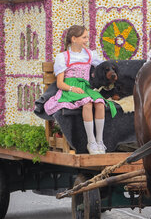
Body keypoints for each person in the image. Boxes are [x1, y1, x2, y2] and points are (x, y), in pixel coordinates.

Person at [44, 25, 108, 154]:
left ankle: (100, 141)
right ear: (74, 39)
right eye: (84, 37)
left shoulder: (89, 54)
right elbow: (60, 84)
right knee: (87, 102)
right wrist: (73, 88)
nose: (86, 40)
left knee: (100, 103)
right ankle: (91, 142)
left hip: (85, 87)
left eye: (86, 37)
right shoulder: (63, 57)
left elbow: (103, 67)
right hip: (69, 89)